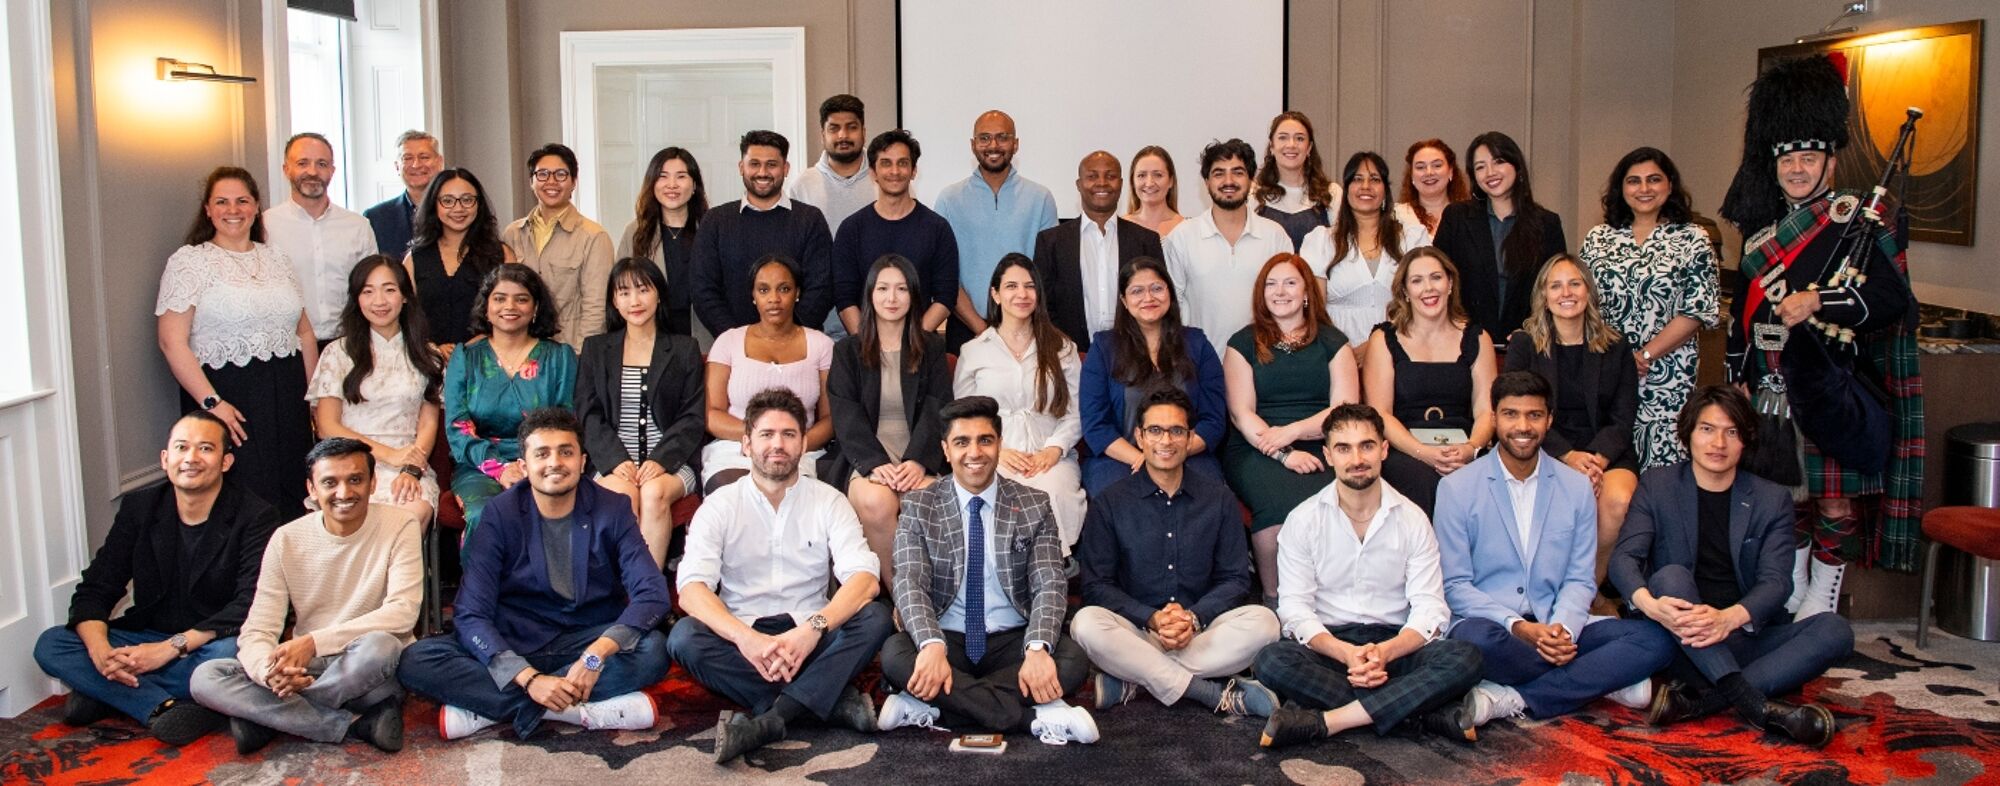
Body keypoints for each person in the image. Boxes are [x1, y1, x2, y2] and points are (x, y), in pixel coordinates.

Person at [1717, 54, 1924, 611]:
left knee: (1834, 502)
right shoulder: (1762, 233)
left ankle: (1823, 599)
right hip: (1769, 384)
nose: (1799, 170)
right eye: (1790, 161)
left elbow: (1891, 301)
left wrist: (1819, 301)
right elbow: (1742, 314)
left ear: (1830, 163)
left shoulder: (1856, 221)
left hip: (1828, 381)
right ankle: (1793, 589)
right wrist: (1736, 376)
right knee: (1786, 498)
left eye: (1810, 159)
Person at [398, 408, 671, 740]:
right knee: (417, 659)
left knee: (653, 650)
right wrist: (528, 678)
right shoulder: (500, 513)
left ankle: (492, 708)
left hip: (585, 638)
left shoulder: (611, 508)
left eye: (566, 452)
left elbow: (652, 594)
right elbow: (471, 613)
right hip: (516, 639)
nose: (555, 462)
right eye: (542, 453)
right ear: (524, 466)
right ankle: (574, 710)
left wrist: (597, 654)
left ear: (583, 462)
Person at [1608, 386, 1853, 748]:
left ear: (1746, 440)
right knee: (1670, 576)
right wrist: (1650, 604)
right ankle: (1753, 702)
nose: (1718, 442)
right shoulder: (1657, 485)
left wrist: (1729, 619)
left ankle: (1703, 700)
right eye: (1707, 429)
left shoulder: (1771, 499)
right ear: (1688, 433)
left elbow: (1776, 582)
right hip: (1679, 637)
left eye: (1731, 431)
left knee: (1835, 630)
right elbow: (1623, 558)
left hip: (1740, 634)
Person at [1432, 372, 1672, 731]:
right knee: (1472, 642)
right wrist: (1519, 628)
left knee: (1655, 639)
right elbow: (1455, 587)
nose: (1522, 426)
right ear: (1494, 418)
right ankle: (1602, 680)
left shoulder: (1576, 487)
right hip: (1497, 629)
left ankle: (1515, 697)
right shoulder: (1456, 488)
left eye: (1534, 415)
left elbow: (1579, 578)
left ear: (1549, 420)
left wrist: (1562, 631)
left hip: (1556, 622)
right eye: (1511, 414)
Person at [670, 388, 895, 762]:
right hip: (742, 641)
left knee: (874, 617)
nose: (778, 444)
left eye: (789, 435)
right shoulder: (719, 506)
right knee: (684, 637)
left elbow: (864, 579)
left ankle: (773, 718)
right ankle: (824, 702)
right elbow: (692, 590)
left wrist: (811, 630)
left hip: (813, 638)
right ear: (745, 444)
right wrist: (747, 640)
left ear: (804, 444)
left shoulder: (829, 500)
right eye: (766, 435)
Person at [33, 413, 281, 746]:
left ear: (225, 462)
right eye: (181, 448)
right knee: (52, 643)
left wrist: (168, 650)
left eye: (205, 448)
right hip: (147, 633)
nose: (191, 458)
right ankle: (163, 705)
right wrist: (101, 653)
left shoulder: (256, 516)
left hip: (209, 639)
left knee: (230, 658)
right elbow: (97, 588)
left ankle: (108, 693)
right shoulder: (140, 507)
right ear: (166, 459)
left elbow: (248, 604)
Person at [1255, 403, 1484, 748]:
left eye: (1367, 446)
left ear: (1384, 450)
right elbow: (1295, 611)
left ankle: (1329, 720)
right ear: (1328, 455)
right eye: (1343, 448)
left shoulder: (1412, 519)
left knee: (1466, 657)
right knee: (1271, 660)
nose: (1357, 458)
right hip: (1331, 650)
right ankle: (1417, 712)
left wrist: (1387, 653)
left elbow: (1430, 609)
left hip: (1397, 646)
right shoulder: (1303, 520)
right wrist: (1346, 654)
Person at [876, 396, 1097, 744]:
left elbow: (1050, 583)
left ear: (999, 445)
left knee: (1071, 660)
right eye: (961, 442)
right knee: (896, 655)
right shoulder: (920, 506)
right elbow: (909, 583)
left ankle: (933, 708)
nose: (974, 453)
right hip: (947, 637)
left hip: (1012, 639)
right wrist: (932, 645)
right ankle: (1033, 718)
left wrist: (1037, 649)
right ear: (945, 451)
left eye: (985, 440)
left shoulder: (1033, 504)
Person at [188, 438, 423, 754]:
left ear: (373, 483)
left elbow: (402, 614)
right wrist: (268, 675)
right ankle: (349, 724)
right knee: (204, 677)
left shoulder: (400, 525)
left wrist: (313, 642)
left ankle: (268, 716)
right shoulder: (286, 540)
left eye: (355, 480)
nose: (344, 493)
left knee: (382, 646)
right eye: (330, 482)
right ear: (312, 489)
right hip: (307, 668)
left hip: (366, 669)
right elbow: (259, 628)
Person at [1073, 387, 1282, 718]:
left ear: (1190, 437)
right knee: (1085, 624)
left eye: (1176, 431)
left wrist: (1193, 619)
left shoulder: (1219, 499)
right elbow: (1097, 585)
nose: (1165, 441)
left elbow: (1235, 579)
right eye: (1155, 430)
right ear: (1139, 437)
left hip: (1199, 631)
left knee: (1266, 622)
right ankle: (1211, 693)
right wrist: (1152, 618)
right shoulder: (1110, 502)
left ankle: (1135, 679)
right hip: (1136, 630)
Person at [157, 166, 319, 520]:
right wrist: (212, 402)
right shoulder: (190, 262)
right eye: (222, 202)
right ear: (208, 210)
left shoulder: (277, 259)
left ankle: (289, 571)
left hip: (288, 394)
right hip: (229, 396)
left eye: (242, 200)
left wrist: (312, 397)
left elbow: (303, 332)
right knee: (244, 496)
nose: (233, 210)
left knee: (292, 488)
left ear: (256, 206)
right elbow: (172, 342)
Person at [1222, 253, 1360, 602]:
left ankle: (1332, 599)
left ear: (1307, 293)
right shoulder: (1242, 343)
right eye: (1271, 283)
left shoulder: (1333, 342)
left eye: (1290, 282)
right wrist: (1284, 454)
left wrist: (1294, 432)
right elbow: (1241, 414)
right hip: (1258, 448)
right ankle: (1276, 599)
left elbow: (1343, 411)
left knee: (1338, 503)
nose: (1279, 291)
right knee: (1277, 512)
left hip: (1325, 441)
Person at [1579, 147, 1719, 472]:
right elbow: (1582, 304)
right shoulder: (1599, 238)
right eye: (1634, 181)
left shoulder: (1693, 238)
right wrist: (1616, 359)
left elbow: (1697, 309)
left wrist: (1644, 357)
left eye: (1654, 180)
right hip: (1606, 370)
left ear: (1669, 185)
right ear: (1621, 188)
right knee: (1608, 464)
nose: (1644, 189)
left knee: (1663, 470)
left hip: (1666, 376)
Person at [1505, 255, 1640, 588]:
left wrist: (1596, 461)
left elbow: (1624, 416)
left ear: (1588, 292)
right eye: (1556, 285)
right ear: (1544, 296)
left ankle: (1588, 589)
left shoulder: (1616, 346)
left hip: (1606, 449)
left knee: (1618, 500)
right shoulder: (1525, 344)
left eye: (1574, 283)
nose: (1566, 293)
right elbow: (1518, 412)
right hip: (1544, 448)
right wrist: (1568, 456)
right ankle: (1549, 588)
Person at [824, 255, 950, 589]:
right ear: (869, 295)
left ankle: (933, 595)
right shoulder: (848, 351)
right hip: (866, 458)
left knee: (927, 499)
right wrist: (875, 463)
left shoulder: (932, 348)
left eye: (901, 289)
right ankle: (901, 598)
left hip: (917, 456)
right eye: (883, 289)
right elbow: (844, 413)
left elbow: (939, 407)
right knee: (877, 501)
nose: (891, 298)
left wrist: (918, 461)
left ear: (914, 297)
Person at [576, 258, 706, 567]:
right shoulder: (595, 349)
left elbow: (691, 417)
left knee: (654, 494)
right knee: (623, 497)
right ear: (613, 300)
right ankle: (617, 594)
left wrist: (661, 461)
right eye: (623, 292)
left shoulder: (684, 348)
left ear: (659, 294)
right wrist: (615, 459)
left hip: (671, 462)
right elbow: (587, 412)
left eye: (643, 290)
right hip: (613, 462)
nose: (634, 301)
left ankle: (647, 598)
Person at [953, 255, 1087, 548]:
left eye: (1029, 286)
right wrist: (997, 452)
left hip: (1050, 455)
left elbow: (1077, 411)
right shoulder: (974, 351)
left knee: (1053, 490)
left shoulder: (1062, 348)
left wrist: (1053, 450)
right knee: (992, 492)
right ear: (996, 294)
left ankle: (1054, 568)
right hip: (992, 455)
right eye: (1011, 286)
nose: (1022, 294)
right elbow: (961, 419)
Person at [307, 255, 444, 524]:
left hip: (408, 466)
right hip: (346, 463)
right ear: (357, 299)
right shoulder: (338, 353)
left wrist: (412, 468)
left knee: (406, 520)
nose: (379, 301)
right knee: (350, 524)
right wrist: (388, 455)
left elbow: (428, 422)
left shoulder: (429, 355)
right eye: (368, 291)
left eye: (389, 290)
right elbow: (326, 425)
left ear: (405, 296)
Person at [444, 265, 578, 539]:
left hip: (546, 463)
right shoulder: (465, 357)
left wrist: (533, 464)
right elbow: (458, 428)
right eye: (500, 298)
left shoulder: (561, 357)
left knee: (546, 509)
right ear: (486, 306)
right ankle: (485, 584)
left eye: (521, 298)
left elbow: (567, 421)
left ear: (536, 307)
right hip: (479, 467)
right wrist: (501, 468)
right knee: (486, 513)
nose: (510, 306)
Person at [1363, 247, 1496, 516]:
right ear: (1404, 293)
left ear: (1450, 284)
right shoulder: (1384, 339)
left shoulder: (1478, 338)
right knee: (1425, 481)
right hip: (1405, 447)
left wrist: (1471, 449)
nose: (1428, 288)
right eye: (1417, 281)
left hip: (1464, 445)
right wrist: (1423, 452)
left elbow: (1486, 411)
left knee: (1483, 476)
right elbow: (1381, 414)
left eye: (1436, 277)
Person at [1081, 256, 1227, 497]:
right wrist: (1145, 458)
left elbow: (1213, 420)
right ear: (1124, 301)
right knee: (1120, 505)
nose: (1148, 298)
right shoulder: (1103, 347)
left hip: (1188, 456)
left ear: (1169, 293)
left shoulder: (1197, 343)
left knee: (1207, 502)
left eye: (1157, 288)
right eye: (1137, 291)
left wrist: (1172, 453)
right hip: (1122, 459)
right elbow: (1096, 425)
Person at [700, 255, 835, 492]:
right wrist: (760, 439)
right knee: (736, 493)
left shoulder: (822, 345)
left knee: (792, 494)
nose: (774, 299)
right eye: (764, 290)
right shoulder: (729, 341)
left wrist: (793, 443)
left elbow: (830, 419)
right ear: (753, 295)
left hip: (801, 452)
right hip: (738, 448)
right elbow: (711, 414)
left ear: (797, 293)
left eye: (784, 289)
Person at [934, 110, 1059, 352]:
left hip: (1027, 329)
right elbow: (945, 275)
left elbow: (1047, 272)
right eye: (984, 138)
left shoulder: (1040, 198)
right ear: (973, 145)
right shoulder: (949, 200)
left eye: (1002, 137)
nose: (993, 145)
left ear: (1016, 144)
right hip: (966, 330)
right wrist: (981, 329)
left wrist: (1015, 327)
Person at [691, 130, 837, 335]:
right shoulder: (715, 221)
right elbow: (703, 289)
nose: (762, 172)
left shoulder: (810, 220)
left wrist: (788, 334)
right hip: (734, 349)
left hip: (798, 347)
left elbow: (821, 287)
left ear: (785, 168)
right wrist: (737, 339)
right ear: (741, 167)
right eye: (754, 164)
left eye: (771, 164)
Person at [1432, 131, 1568, 344]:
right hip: (1464, 342)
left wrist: (1532, 331)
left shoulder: (1547, 223)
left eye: (1498, 162)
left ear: (1516, 166)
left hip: (1526, 344)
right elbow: (1437, 277)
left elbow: (1557, 287)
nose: (1490, 172)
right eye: (1480, 167)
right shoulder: (1456, 217)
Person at [1164, 138, 1294, 342]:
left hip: (1263, 363)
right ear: (1206, 183)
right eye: (1218, 173)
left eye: (1238, 172)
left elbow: (1293, 302)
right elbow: (1171, 307)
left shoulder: (1275, 236)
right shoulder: (1181, 238)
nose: (1229, 181)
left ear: (1251, 180)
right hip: (1201, 366)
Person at [1033, 150, 1164, 352]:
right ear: (1079, 184)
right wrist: (1066, 350)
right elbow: (1043, 305)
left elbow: (1158, 301)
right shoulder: (1050, 242)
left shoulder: (1146, 241)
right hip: (1070, 358)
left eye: (1110, 176)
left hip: (1135, 355)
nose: (1102, 183)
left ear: (1120, 184)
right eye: (1092, 176)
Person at [830, 129, 958, 336]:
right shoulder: (851, 229)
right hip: (865, 350)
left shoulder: (937, 228)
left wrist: (912, 341)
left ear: (914, 170)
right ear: (873, 172)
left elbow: (945, 297)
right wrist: (867, 344)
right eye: (886, 163)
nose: (895, 171)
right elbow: (844, 298)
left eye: (903, 163)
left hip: (920, 349)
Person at [1301, 151, 1429, 348]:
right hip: (1335, 352)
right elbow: (1314, 312)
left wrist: (1375, 346)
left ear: (1385, 190)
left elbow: (1423, 303)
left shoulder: (1411, 239)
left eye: (1375, 179)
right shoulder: (1322, 241)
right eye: (1357, 179)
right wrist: (1343, 354)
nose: (1366, 186)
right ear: (1347, 189)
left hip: (1401, 349)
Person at [500, 142, 616, 350]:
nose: (551, 182)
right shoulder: (512, 233)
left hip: (568, 350)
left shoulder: (594, 237)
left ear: (573, 182)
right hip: (518, 351)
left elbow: (595, 309)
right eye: (542, 174)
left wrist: (580, 358)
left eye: (560, 174)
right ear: (531, 181)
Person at [264, 132, 378, 344]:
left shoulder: (358, 226)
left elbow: (372, 289)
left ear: (332, 171)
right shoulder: (266, 226)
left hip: (347, 343)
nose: (313, 171)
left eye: (322, 164)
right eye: (302, 163)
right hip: (287, 346)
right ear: (286, 169)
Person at [404, 168, 511, 357]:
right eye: (447, 201)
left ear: (479, 204)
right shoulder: (415, 257)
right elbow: (404, 315)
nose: (458, 208)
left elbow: (514, 310)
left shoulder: (501, 254)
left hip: (489, 360)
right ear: (434, 205)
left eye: (467, 200)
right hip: (428, 361)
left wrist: (477, 343)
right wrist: (431, 347)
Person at [617, 147, 707, 338]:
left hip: (703, 337)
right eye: (663, 176)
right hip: (650, 338)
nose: (671, 185)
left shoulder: (711, 229)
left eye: (681, 176)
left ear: (694, 185)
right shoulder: (634, 232)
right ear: (652, 183)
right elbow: (620, 289)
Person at [789, 94, 877, 238]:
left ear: (864, 132)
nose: (843, 135)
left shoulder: (887, 180)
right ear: (823, 135)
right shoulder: (802, 186)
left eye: (852, 127)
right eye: (834, 128)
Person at [1254, 112, 1340, 250]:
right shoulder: (1254, 195)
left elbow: (1341, 249)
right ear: (1272, 146)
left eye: (1299, 138)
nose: (1291, 144)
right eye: (1283, 138)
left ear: (1309, 148)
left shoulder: (1332, 193)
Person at [364, 130, 444, 256]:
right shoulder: (376, 218)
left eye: (424, 157)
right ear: (397, 166)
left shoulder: (458, 211)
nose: (416, 164)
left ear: (440, 163)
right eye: (407, 158)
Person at [1394, 138, 1469, 238]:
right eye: (1420, 167)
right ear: (1411, 175)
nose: (1429, 172)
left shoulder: (1468, 216)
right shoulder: (1397, 216)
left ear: (1451, 171)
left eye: (1437, 165)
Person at [1123, 145, 1184, 238]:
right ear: (1132, 182)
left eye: (1158, 175)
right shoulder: (1120, 228)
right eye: (1142, 175)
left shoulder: (1186, 228)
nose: (1149, 183)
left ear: (1171, 181)